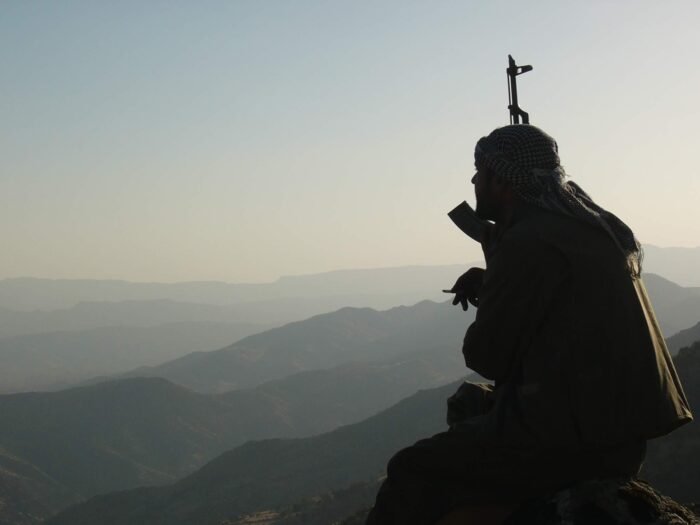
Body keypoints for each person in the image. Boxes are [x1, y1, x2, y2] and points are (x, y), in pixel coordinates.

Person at [365, 125, 692, 525]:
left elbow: (487, 355)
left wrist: (497, 270)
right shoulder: (588, 230)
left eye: (479, 171)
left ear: (502, 181)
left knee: (409, 470)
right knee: (468, 402)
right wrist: (495, 277)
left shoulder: (528, 242)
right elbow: (568, 304)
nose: (473, 180)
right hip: (616, 433)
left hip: (571, 441)